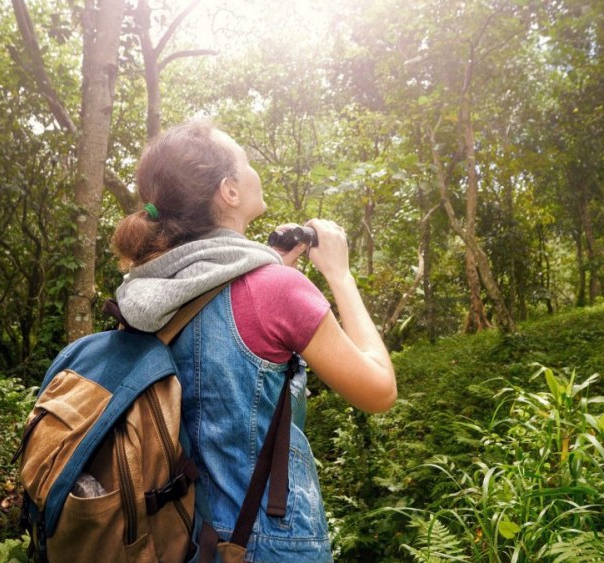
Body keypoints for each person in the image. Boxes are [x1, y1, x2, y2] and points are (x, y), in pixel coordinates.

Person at [110, 118, 396, 561]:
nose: (252, 170)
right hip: (266, 543)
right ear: (229, 191)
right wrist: (340, 275)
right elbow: (379, 391)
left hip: (176, 535)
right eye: (245, 161)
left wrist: (269, 268)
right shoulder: (276, 290)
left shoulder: (143, 293)